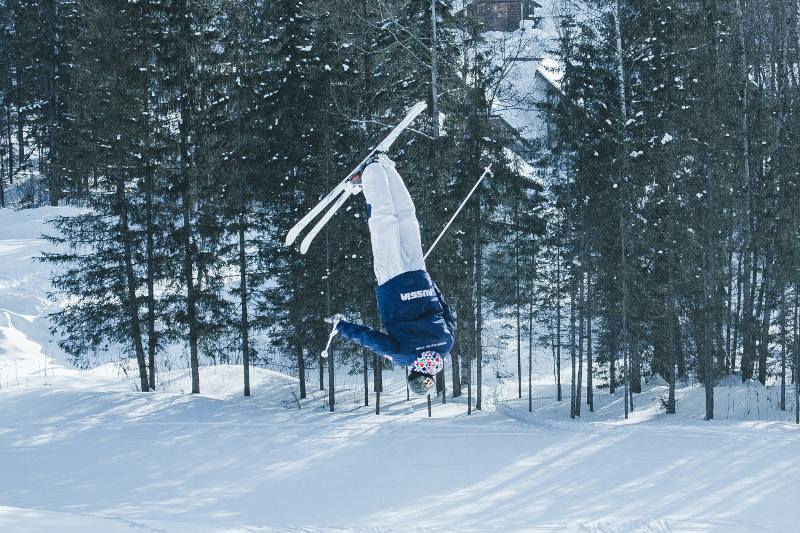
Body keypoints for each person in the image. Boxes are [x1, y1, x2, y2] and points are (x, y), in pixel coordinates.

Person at [327, 153, 455, 396]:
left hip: (419, 276)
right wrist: (341, 327)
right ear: (415, 375)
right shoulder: (405, 356)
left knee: (407, 220)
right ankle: (372, 171)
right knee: (383, 224)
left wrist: (429, 284)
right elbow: (372, 340)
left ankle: (388, 170)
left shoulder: (446, 345)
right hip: (393, 284)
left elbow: (446, 311)